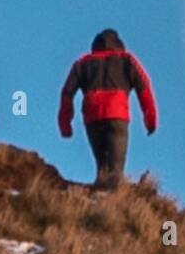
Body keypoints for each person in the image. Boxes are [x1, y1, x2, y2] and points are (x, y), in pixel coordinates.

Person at [58, 28, 158, 189]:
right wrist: (150, 119)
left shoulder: (83, 63)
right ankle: (110, 203)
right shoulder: (127, 60)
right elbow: (144, 87)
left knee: (102, 166)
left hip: (92, 116)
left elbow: (67, 92)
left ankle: (99, 198)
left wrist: (65, 125)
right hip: (117, 115)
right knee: (115, 168)